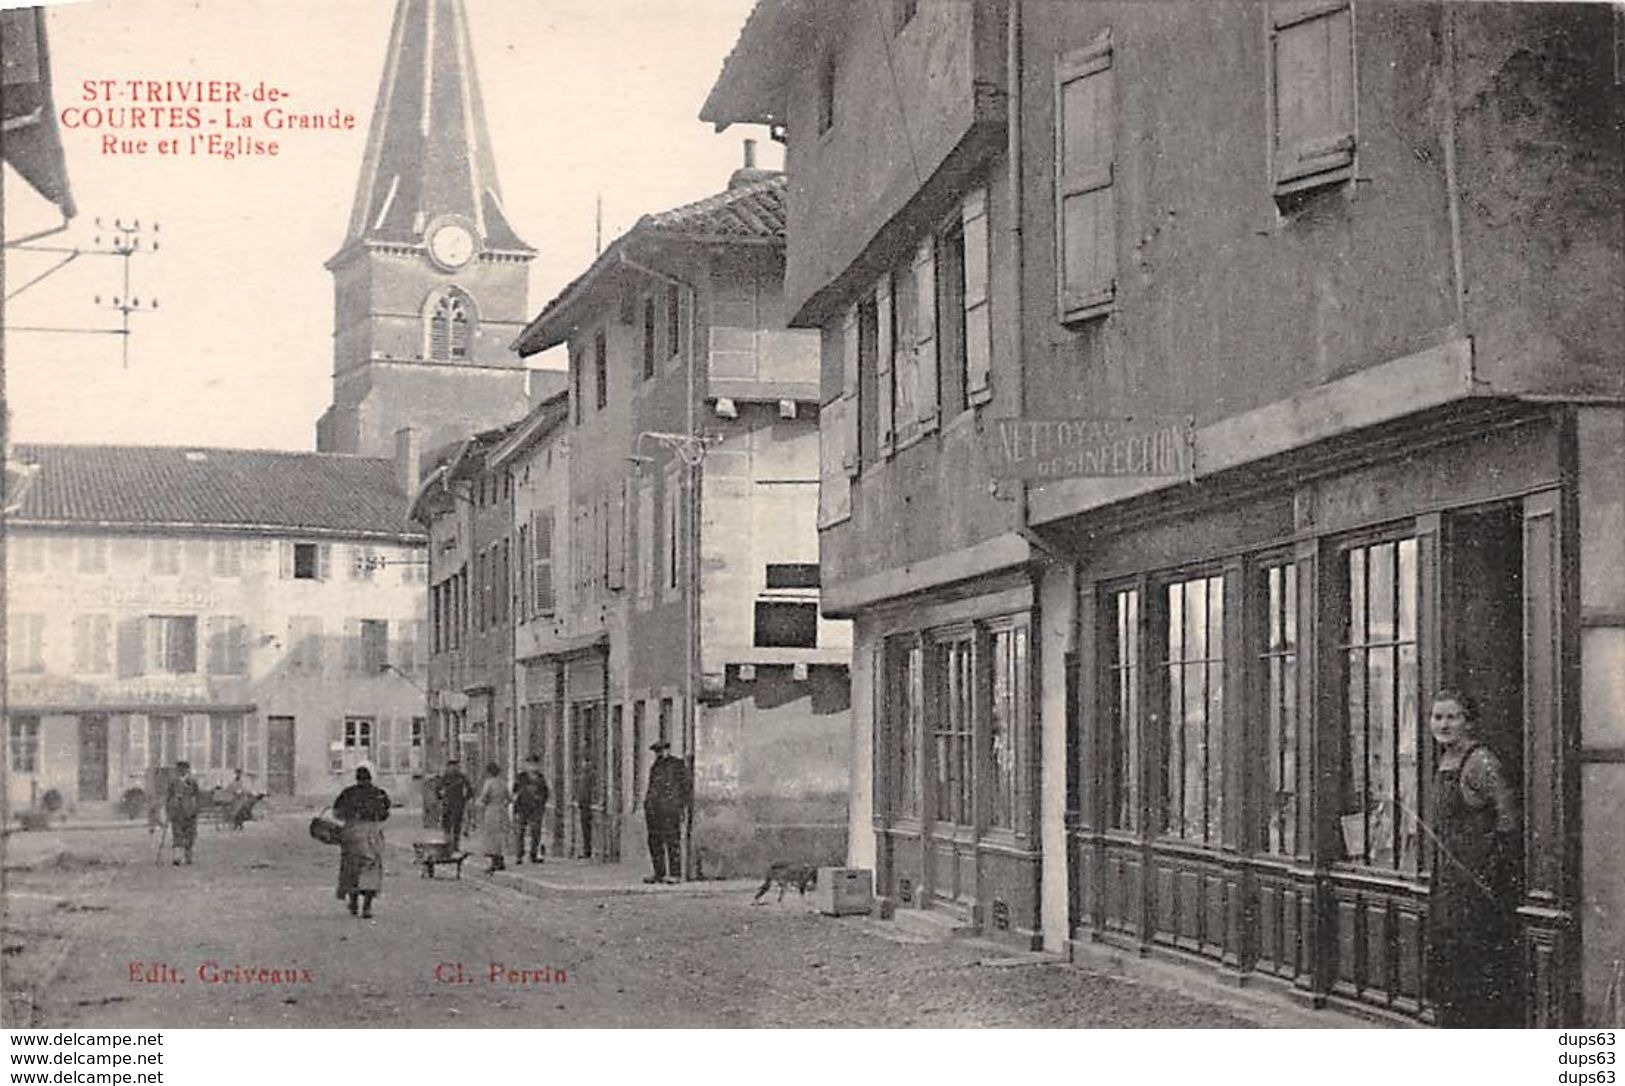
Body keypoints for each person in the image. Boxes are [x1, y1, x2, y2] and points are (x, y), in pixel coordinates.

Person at [1426, 689, 1520, 1027]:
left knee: (1473, 964)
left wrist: (1491, 869)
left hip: (1476, 885)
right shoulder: (1445, 759)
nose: (1444, 724)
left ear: (1469, 722)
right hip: (1448, 884)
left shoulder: (1480, 762)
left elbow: (1509, 818)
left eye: (1452, 717)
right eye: (1438, 717)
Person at [333, 766, 391, 919]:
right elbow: (385, 813)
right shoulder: (379, 793)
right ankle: (367, 906)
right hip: (372, 833)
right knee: (371, 869)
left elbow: (337, 812)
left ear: (357, 778)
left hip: (352, 832)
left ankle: (353, 902)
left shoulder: (348, 793)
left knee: (351, 868)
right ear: (370, 778)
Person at [642, 740, 690, 885]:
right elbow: (652, 788)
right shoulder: (655, 767)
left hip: (670, 810)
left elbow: (685, 787)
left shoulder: (677, 765)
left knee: (672, 841)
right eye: (657, 752)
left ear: (668, 750)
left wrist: (681, 806)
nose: (659, 754)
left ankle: (675, 874)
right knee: (655, 842)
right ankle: (659, 873)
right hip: (654, 810)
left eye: (661, 751)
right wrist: (648, 805)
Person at [511, 757, 550, 865]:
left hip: (536, 808)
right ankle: (519, 855)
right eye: (530, 764)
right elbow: (515, 790)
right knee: (520, 831)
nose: (533, 766)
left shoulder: (541, 778)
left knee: (535, 831)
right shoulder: (521, 777)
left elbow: (545, 793)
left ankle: (533, 854)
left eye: (535, 764)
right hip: (523, 807)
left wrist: (540, 800)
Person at [164, 761, 201, 866]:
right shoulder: (173, 782)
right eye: (179, 769)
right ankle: (177, 857)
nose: (181, 771)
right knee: (177, 834)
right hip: (177, 812)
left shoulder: (192, 782)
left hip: (190, 812)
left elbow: (198, 797)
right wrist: (168, 809)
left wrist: (196, 809)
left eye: (184, 769)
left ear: (187, 770)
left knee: (190, 835)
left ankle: (188, 856)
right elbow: (169, 797)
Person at [475, 762, 511, 873]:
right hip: (502, 811)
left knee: (491, 836)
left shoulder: (489, 783)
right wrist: (504, 804)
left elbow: (485, 797)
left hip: (491, 810)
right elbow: (509, 798)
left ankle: (495, 860)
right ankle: (500, 858)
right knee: (500, 836)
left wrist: (480, 803)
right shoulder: (502, 783)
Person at [435, 759, 473, 851]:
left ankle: (455, 845)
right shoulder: (446, 777)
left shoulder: (461, 777)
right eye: (452, 766)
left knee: (456, 825)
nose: (454, 768)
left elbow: (470, 790)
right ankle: (448, 844)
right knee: (447, 825)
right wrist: (441, 796)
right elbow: (438, 789)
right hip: (448, 804)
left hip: (457, 804)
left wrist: (465, 799)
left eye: (455, 766)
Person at [573, 756, 597, 858]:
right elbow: (580, 791)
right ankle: (586, 849)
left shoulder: (591, 776)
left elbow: (591, 790)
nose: (585, 765)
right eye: (584, 762)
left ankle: (588, 850)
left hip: (588, 805)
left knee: (588, 829)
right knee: (584, 829)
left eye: (587, 762)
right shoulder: (582, 776)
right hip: (583, 805)